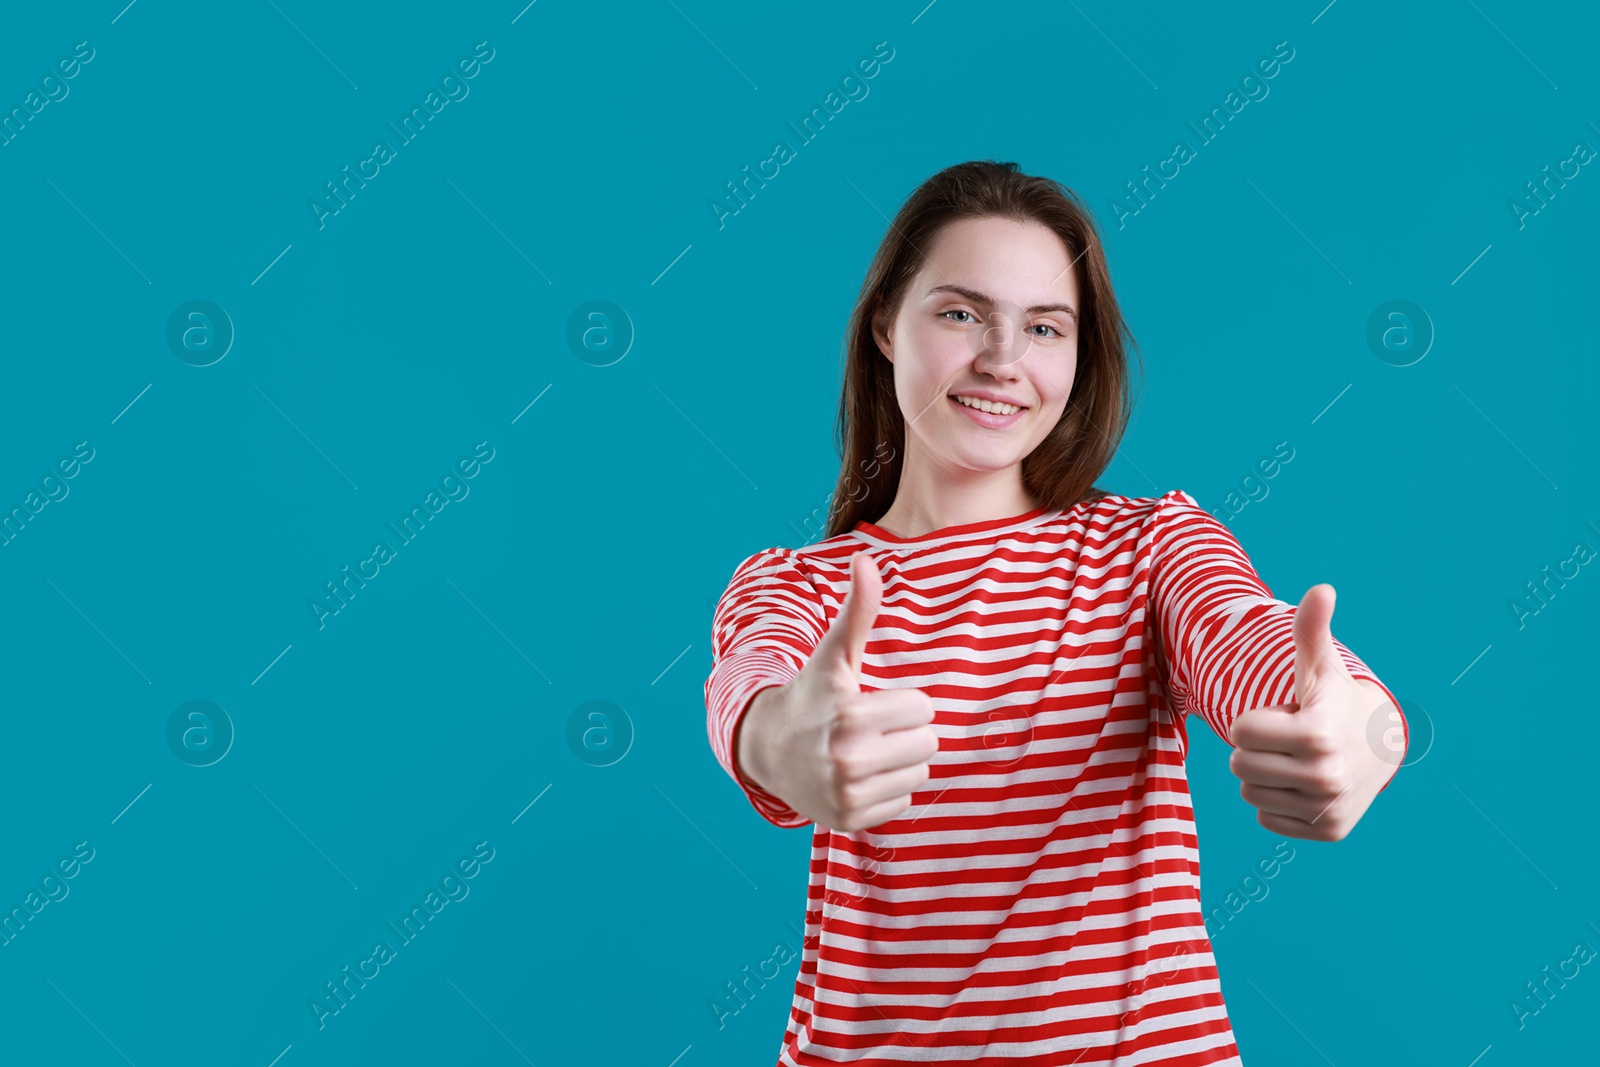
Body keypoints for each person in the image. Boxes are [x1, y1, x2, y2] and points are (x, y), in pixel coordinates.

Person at [703, 160, 1408, 1065]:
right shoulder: (799, 585)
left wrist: (1356, 728)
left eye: (1044, 327)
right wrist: (773, 739)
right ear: (886, 323)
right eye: (961, 313)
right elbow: (751, 679)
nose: (1002, 359)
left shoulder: (1147, 548)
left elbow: (1250, 634)